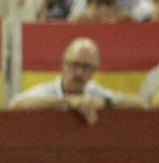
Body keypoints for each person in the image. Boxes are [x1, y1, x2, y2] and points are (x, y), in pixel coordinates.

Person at [9, 37, 146, 124]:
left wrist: (105, 102)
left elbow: (140, 104)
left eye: (86, 67)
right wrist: (68, 100)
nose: (79, 72)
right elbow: (15, 105)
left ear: (94, 71)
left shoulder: (94, 92)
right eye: (74, 65)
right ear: (63, 65)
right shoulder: (47, 90)